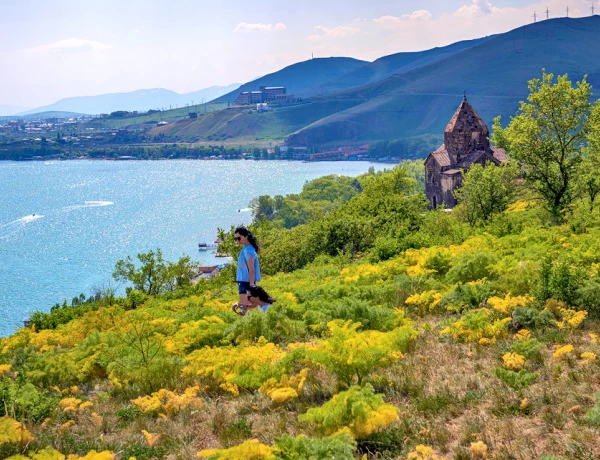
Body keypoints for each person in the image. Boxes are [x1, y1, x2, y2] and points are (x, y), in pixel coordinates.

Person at [233, 226, 261, 311]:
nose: (237, 241)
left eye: (239, 238)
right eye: (235, 239)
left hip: (246, 283)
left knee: (245, 309)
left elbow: (252, 270)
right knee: (246, 308)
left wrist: (251, 287)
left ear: (246, 236)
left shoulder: (248, 250)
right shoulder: (247, 249)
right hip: (244, 282)